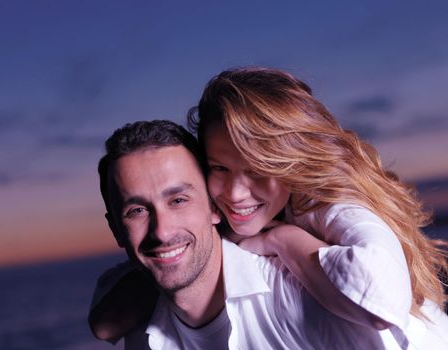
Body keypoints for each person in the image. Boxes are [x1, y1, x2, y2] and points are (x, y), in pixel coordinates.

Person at [91, 68, 448, 347]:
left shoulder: (323, 206)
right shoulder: (153, 315)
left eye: (258, 170)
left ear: (290, 165)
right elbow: (105, 321)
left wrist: (284, 240)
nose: (235, 192)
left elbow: (381, 299)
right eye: (220, 168)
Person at [95, 119, 395, 349]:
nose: (162, 231)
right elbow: (103, 323)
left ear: (215, 207)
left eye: (178, 200)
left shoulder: (299, 300)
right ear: (115, 229)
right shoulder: (141, 331)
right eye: (137, 211)